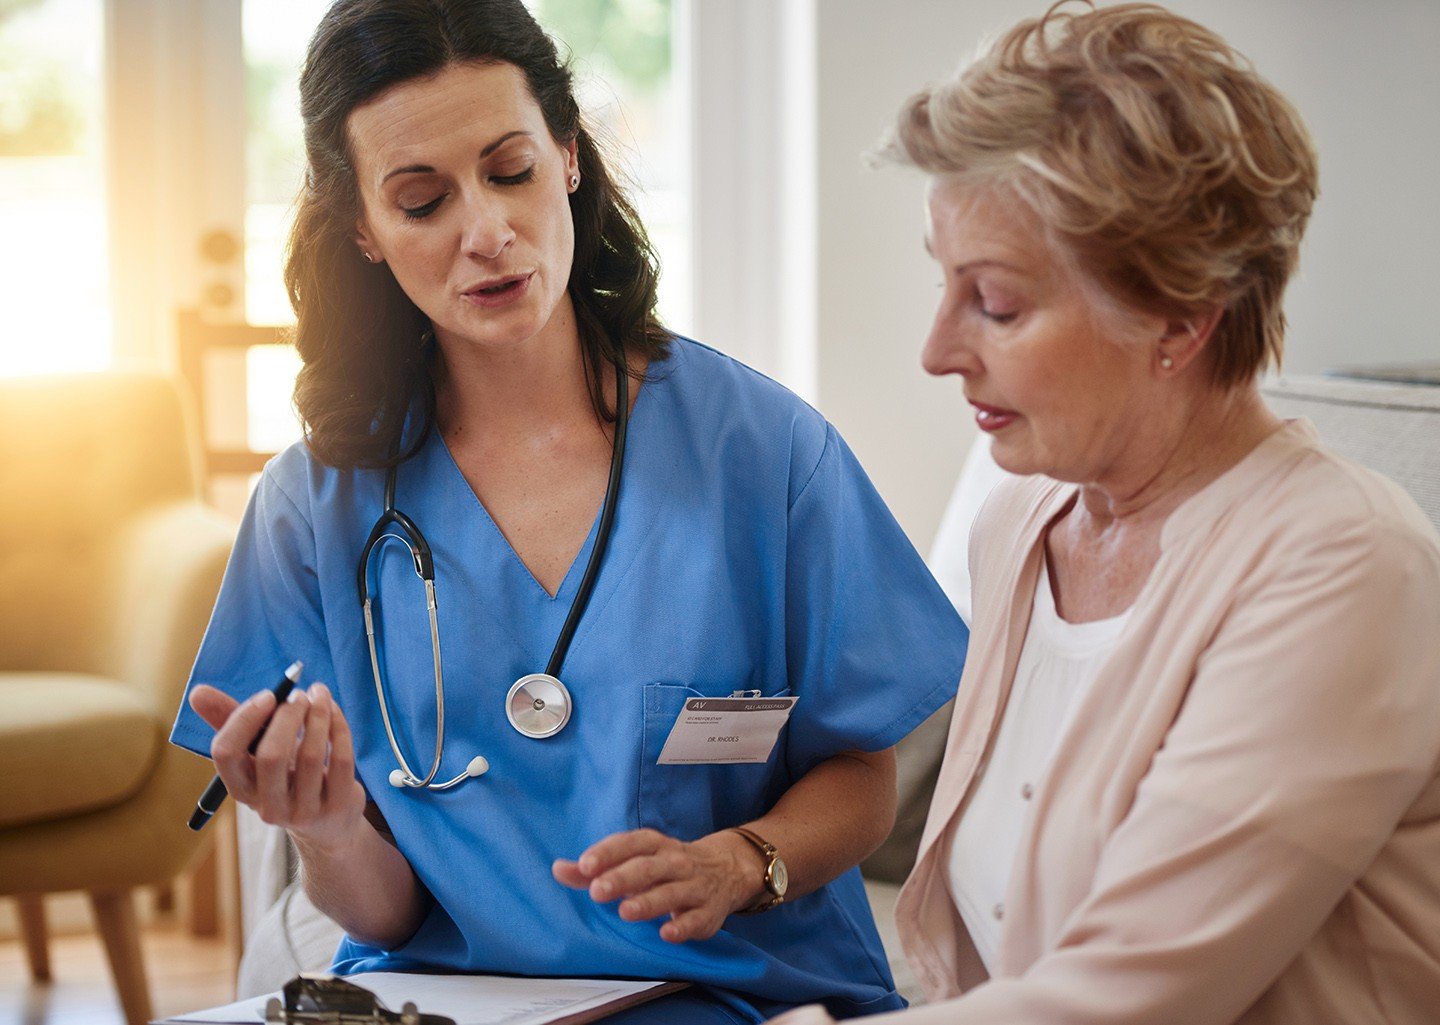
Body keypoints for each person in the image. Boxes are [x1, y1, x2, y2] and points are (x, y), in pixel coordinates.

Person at [166, 1, 967, 1022]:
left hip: (729, 992)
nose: (487, 231)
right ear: (362, 227)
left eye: (511, 169)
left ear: (570, 155)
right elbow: (389, 908)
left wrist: (742, 860)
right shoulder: (313, 505)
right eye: (422, 201)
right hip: (449, 1005)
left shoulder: (762, 452)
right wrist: (325, 828)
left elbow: (864, 771)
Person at [771, 3, 1440, 1024]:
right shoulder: (1022, 512)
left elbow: (1134, 993)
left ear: (1180, 317)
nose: (938, 349)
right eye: (943, 285)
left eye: (994, 301)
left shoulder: (1350, 565)